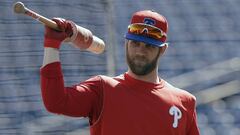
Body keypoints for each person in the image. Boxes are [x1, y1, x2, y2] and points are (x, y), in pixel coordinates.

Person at [40, 10, 200, 135]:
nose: (140, 52)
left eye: (149, 46)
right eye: (135, 43)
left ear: (163, 50)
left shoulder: (185, 102)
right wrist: (51, 45)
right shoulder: (102, 89)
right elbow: (56, 102)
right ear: (126, 44)